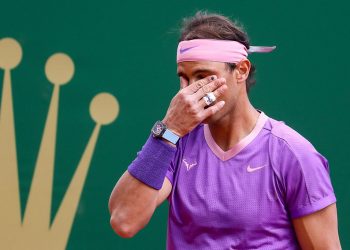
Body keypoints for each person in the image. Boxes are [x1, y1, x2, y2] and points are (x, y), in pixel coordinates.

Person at [108, 11, 342, 249]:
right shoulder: (174, 142)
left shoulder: (294, 155)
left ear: (241, 70)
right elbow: (124, 220)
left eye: (204, 76)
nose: (190, 93)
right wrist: (169, 129)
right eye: (185, 79)